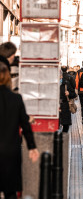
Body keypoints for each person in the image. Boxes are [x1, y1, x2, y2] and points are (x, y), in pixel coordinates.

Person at [0, 62, 39, 199]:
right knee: (10, 190)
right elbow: (25, 125)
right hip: (11, 150)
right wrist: (32, 147)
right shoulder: (16, 99)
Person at [60, 66, 77, 132]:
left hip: (65, 104)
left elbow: (73, 93)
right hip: (59, 105)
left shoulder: (66, 82)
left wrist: (69, 93)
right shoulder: (70, 77)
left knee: (65, 125)